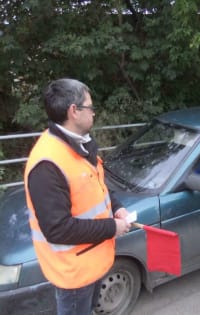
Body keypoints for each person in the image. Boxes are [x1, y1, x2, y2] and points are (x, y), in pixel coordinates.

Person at [23, 78, 132, 315]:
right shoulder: (47, 164)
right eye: (90, 107)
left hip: (91, 262)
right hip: (74, 274)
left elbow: (96, 186)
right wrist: (112, 228)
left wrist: (118, 207)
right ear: (74, 111)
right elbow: (58, 229)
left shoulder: (78, 144)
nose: (93, 113)